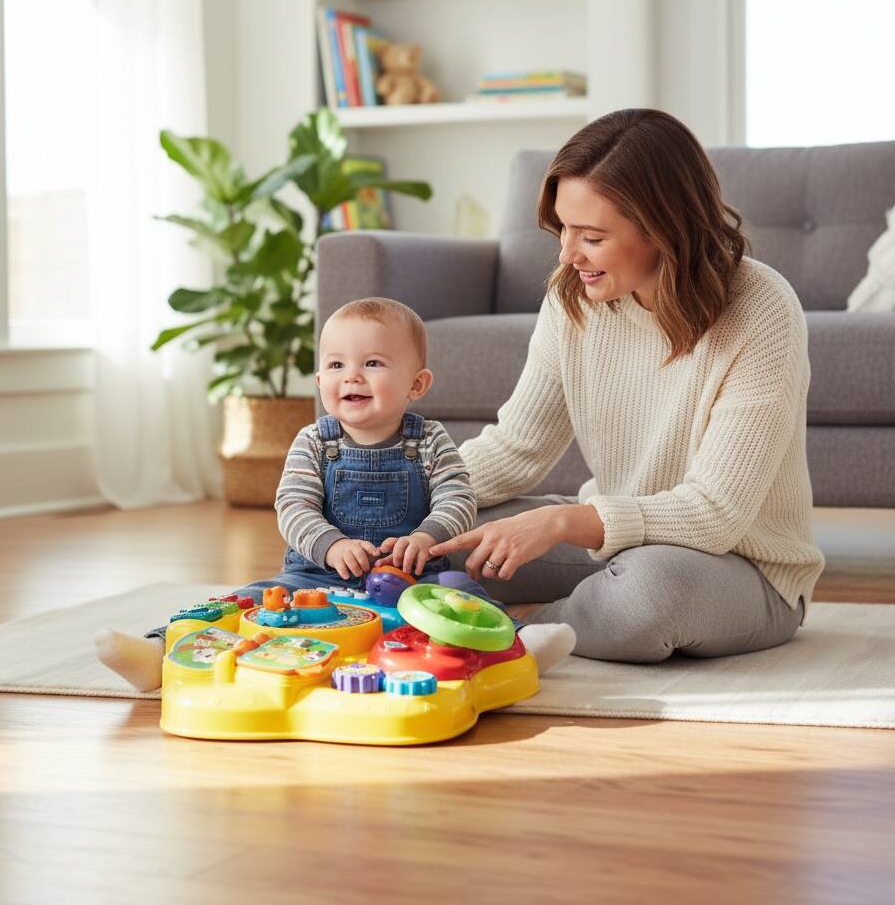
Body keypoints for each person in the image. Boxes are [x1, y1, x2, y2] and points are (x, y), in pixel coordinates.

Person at [430, 108, 825, 663]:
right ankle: (389, 610)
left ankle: (507, 636)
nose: (567, 254)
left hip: (740, 569)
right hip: (616, 543)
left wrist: (563, 520)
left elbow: (716, 513)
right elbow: (515, 448)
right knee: (438, 538)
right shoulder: (573, 299)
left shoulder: (762, 310)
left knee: (647, 594)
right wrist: (416, 501)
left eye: (591, 236)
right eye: (563, 229)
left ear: (664, 229)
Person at [96, 297, 575, 691]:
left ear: (417, 384)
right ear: (321, 381)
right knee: (249, 599)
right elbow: (293, 507)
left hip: (415, 582)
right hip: (313, 578)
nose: (352, 375)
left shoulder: (430, 440)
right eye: (336, 365)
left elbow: (458, 498)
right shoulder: (314, 442)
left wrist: (428, 536)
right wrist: (331, 545)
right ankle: (158, 649)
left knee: (465, 595)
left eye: (372, 363)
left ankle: (519, 644)